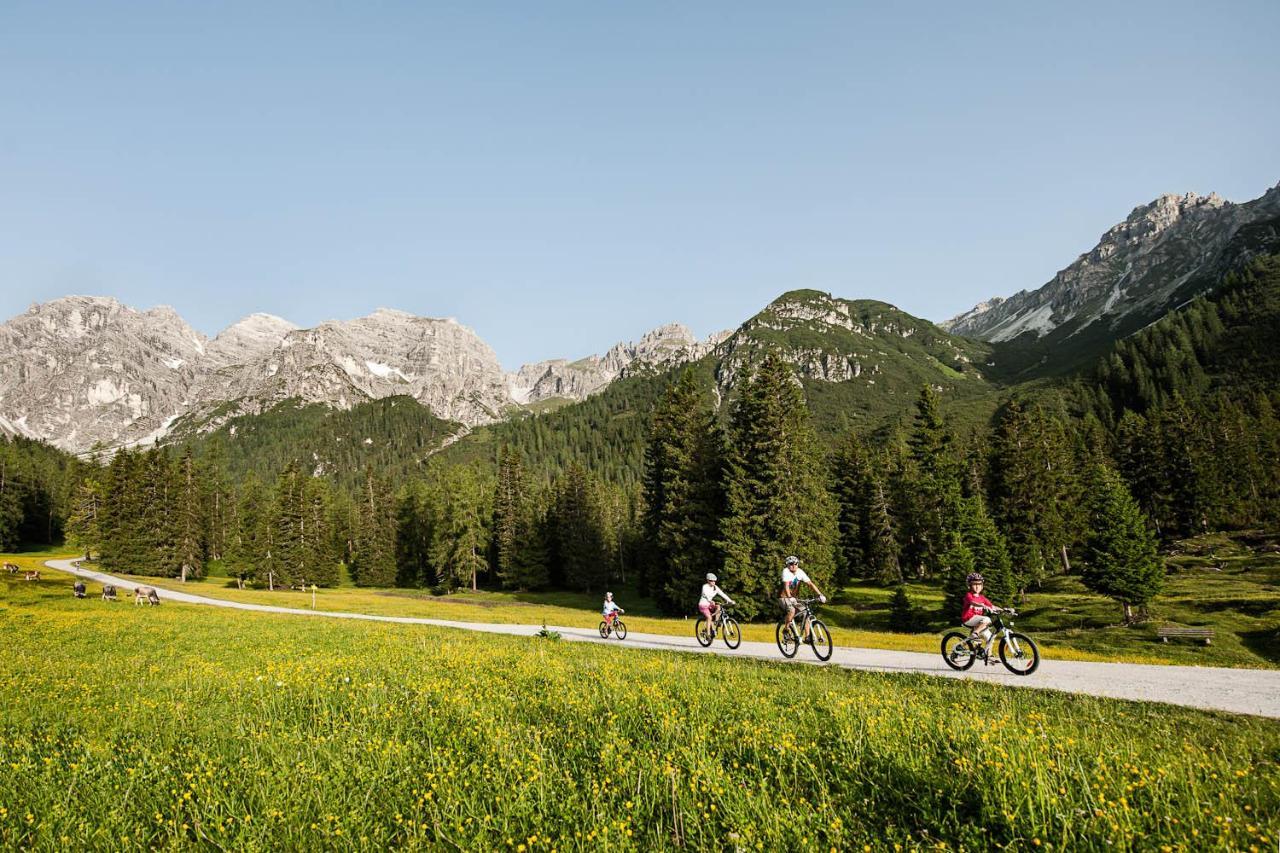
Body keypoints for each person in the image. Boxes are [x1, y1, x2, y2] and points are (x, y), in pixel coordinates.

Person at [780, 555, 825, 640]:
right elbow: (786, 586)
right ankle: (786, 630)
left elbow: (810, 584)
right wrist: (789, 597)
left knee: (805, 612)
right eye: (791, 564)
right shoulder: (785, 571)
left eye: (796, 563)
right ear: (787, 565)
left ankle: (807, 637)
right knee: (792, 610)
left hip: (794, 598)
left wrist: (820, 594)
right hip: (783, 597)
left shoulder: (800, 572)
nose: (794, 565)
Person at [961, 572, 1003, 647]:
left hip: (978, 621)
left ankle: (988, 655)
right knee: (987, 619)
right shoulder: (969, 595)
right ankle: (975, 633)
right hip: (968, 619)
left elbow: (992, 606)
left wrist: (1004, 609)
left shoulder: (982, 597)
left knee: (990, 637)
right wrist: (982, 605)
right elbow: (972, 602)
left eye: (979, 584)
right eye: (974, 584)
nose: (977, 587)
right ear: (969, 586)